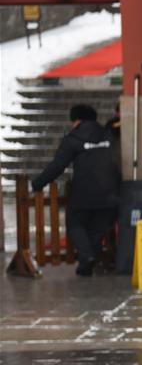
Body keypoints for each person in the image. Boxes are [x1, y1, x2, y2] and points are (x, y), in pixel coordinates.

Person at [31, 104, 120, 276]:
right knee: (96, 229)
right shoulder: (108, 134)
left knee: (75, 224)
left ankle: (86, 257)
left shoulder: (73, 138)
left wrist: (38, 184)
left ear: (76, 120)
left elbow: (57, 166)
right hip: (111, 191)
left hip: (85, 192)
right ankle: (86, 265)